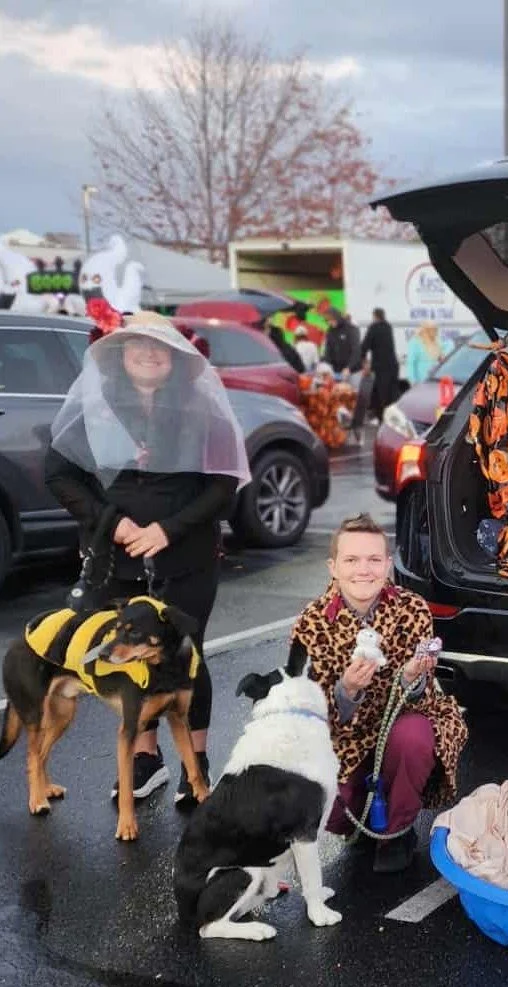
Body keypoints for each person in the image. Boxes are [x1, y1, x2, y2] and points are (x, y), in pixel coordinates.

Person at [45, 311, 250, 804]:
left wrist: (166, 530)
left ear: (176, 358)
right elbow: (59, 475)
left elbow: (223, 487)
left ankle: (195, 762)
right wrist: (110, 523)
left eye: (160, 348)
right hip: (117, 562)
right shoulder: (97, 407)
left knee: (186, 658)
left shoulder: (202, 410)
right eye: (137, 347)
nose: (149, 355)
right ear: (120, 355)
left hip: (187, 558)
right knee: (130, 659)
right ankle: (145, 757)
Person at [290, 514, 468, 873]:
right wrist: (348, 689)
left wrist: (410, 678)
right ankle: (361, 822)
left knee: (414, 737)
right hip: (342, 737)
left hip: (399, 726)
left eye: (374, 560)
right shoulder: (311, 623)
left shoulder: (412, 609)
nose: (363, 570)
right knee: (329, 803)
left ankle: (397, 830)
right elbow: (304, 709)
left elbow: (424, 702)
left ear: (388, 565)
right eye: (352, 560)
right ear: (334, 567)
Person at [361, 307, 401, 420]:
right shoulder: (388, 327)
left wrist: (363, 361)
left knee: (381, 394)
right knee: (392, 393)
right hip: (393, 365)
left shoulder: (374, 327)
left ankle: (383, 419)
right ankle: (395, 417)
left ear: (374, 316)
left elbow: (365, 346)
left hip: (380, 366)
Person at [405, 321, 449, 386]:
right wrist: (413, 381)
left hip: (436, 379)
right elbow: (411, 363)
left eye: (435, 329)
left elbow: (442, 355)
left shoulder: (437, 340)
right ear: (425, 330)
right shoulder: (415, 342)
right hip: (421, 380)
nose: (434, 332)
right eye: (432, 329)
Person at [323, 311, 362, 376]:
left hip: (352, 371)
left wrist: (349, 367)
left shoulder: (351, 329)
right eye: (328, 321)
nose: (330, 322)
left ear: (337, 317)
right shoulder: (330, 331)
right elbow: (328, 351)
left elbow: (356, 351)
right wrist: (327, 366)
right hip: (336, 371)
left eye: (331, 320)